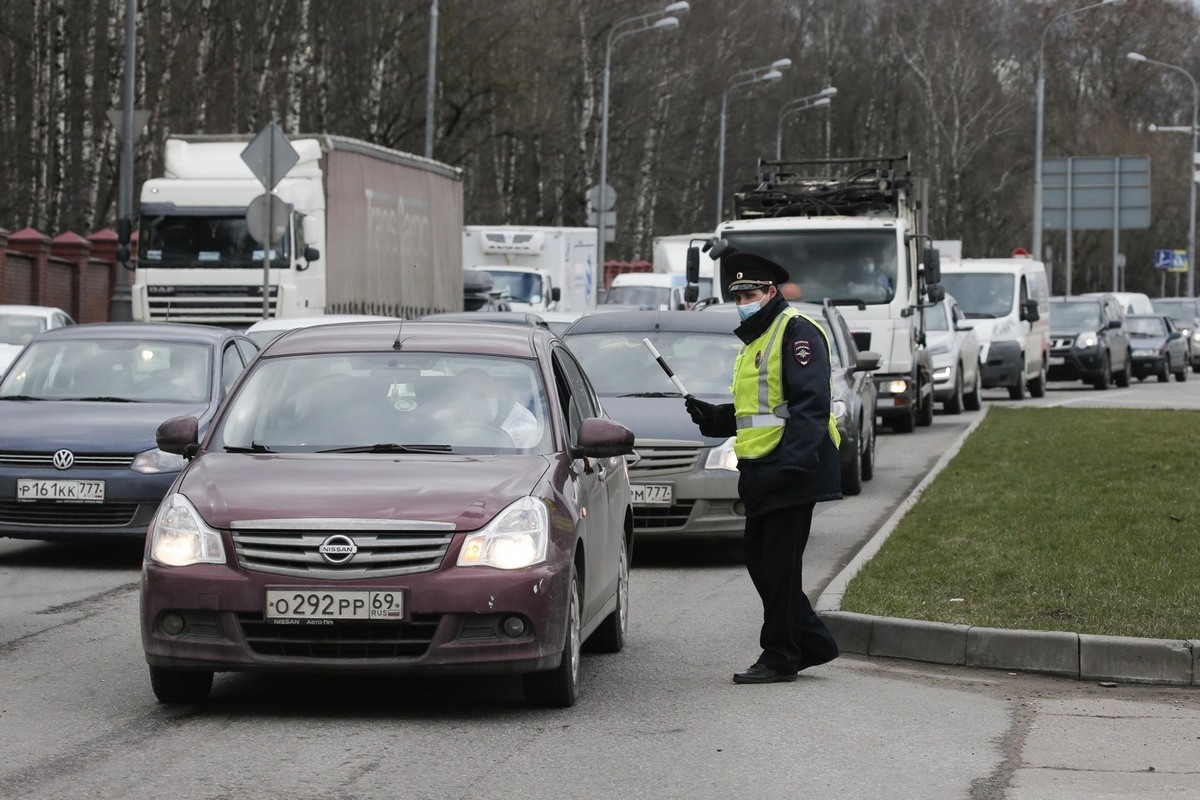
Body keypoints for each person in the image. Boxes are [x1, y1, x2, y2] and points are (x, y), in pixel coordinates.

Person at [684, 252, 842, 684]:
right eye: (738, 294)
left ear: (772, 293)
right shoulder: (758, 337)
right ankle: (811, 643)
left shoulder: (796, 332)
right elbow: (761, 409)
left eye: (751, 293)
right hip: (760, 466)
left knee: (778, 567)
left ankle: (779, 656)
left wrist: (794, 465)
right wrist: (717, 418)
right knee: (761, 562)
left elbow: (811, 406)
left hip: (790, 467)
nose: (743, 301)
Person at [434, 367, 540, 448]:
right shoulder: (442, 420)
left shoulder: (522, 425)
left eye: (491, 393)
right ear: (458, 399)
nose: (487, 400)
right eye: (477, 395)